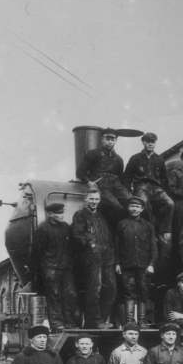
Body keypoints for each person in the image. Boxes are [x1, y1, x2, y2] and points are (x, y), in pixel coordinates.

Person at [72, 187, 116, 329]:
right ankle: (94, 321)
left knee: (110, 288)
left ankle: (101, 320)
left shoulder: (101, 217)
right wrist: (91, 245)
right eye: (91, 199)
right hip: (91, 257)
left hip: (106, 256)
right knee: (94, 288)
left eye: (96, 199)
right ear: (85, 199)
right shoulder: (80, 215)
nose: (94, 202)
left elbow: (107, 237)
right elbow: (77, 234)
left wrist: (109, 251)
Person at [32, 202, 77, 331]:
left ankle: (69, 322)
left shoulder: (65, 227)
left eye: (62, 213)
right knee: (54, 296)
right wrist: (43, 268)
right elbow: (36, 252)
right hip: (50, 268)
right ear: (50, 214)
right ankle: (57, 323)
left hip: (66, 267)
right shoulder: (42, 229)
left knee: (70, 295)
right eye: (59, 213)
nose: (62, 216)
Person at [75, 128, 132, 227]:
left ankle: (129, 228)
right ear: (102, 139)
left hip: (116, 183)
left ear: (116, 140)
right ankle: (116, 230)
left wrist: (126, 190)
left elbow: (120, 176)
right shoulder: (93, 154)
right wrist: (89, 182)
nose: (110, 142)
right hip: (101, 183)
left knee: (130, 201)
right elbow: (80, 172)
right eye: (107, 139)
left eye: (112, 139)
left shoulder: (118, 159)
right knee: (115, 206)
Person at [123, 132, 174, 242]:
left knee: (170, 203)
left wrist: (163, 191)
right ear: (143, 142)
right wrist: (128, 191)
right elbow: (127, 176)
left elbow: (164, 178)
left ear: (155, 143)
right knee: (144, 203)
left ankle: (161, 229)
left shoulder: (159, 159)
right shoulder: (135, 158)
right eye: (148, 142)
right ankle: (152, 231)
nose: (150, 144)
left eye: (153, 142)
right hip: (141, 186)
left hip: (156, 188)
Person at [115, 196, 157, 326]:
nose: (134, 209)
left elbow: (153, 247)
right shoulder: (122, 224)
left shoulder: (148, 226)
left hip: (144, 266)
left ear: (142, 209)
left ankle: (142, 322)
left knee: (143, 293)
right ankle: (129, 323)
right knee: (129, 294)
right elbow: (116, 245)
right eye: (132, 206)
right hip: (127, 265)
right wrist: (117, 263)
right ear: (128, 208)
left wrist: (151, 264)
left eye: (137, 206)